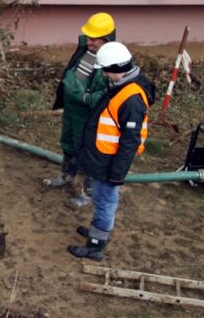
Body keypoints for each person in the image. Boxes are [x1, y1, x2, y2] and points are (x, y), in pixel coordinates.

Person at [68, 42, 155, 261]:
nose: (105, 74)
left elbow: (130, 141)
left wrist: (117, 172)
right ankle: (98, 231)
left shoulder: (132, 98)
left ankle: (95, 245)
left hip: (110, 161)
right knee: (100, 198)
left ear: (117, 68)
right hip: (102, 157)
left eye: (107, 70)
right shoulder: (122, 86)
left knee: (106, 201)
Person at [44, 12, 116, 209]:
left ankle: (88, 194)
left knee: (87, 152)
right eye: (89, 37)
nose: (90, 42)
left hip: (88, 115)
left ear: (106, 39)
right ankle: (67, 176)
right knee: (68, 143)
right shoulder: (85, 48)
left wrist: (86, 98)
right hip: (71, 111)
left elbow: (109, 92)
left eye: (94, 39)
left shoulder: (113, 61)